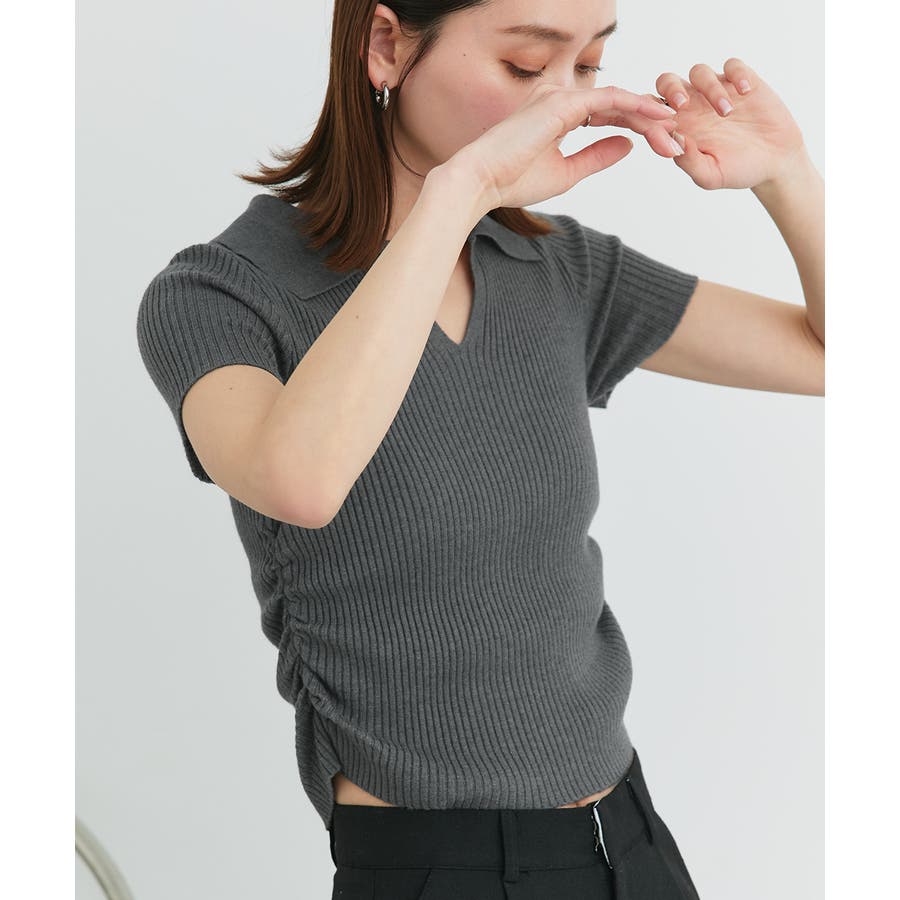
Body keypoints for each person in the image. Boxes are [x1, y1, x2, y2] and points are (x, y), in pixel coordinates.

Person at [135, 2, 824, 897]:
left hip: (628, 834)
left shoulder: (559, 268)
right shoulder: (222, 294)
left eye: (586, 67)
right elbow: (300, 481)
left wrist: (788, 174)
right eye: (526, 65)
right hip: (436, 862)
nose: (564, 102)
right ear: (387, 44)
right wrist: (459, 192)